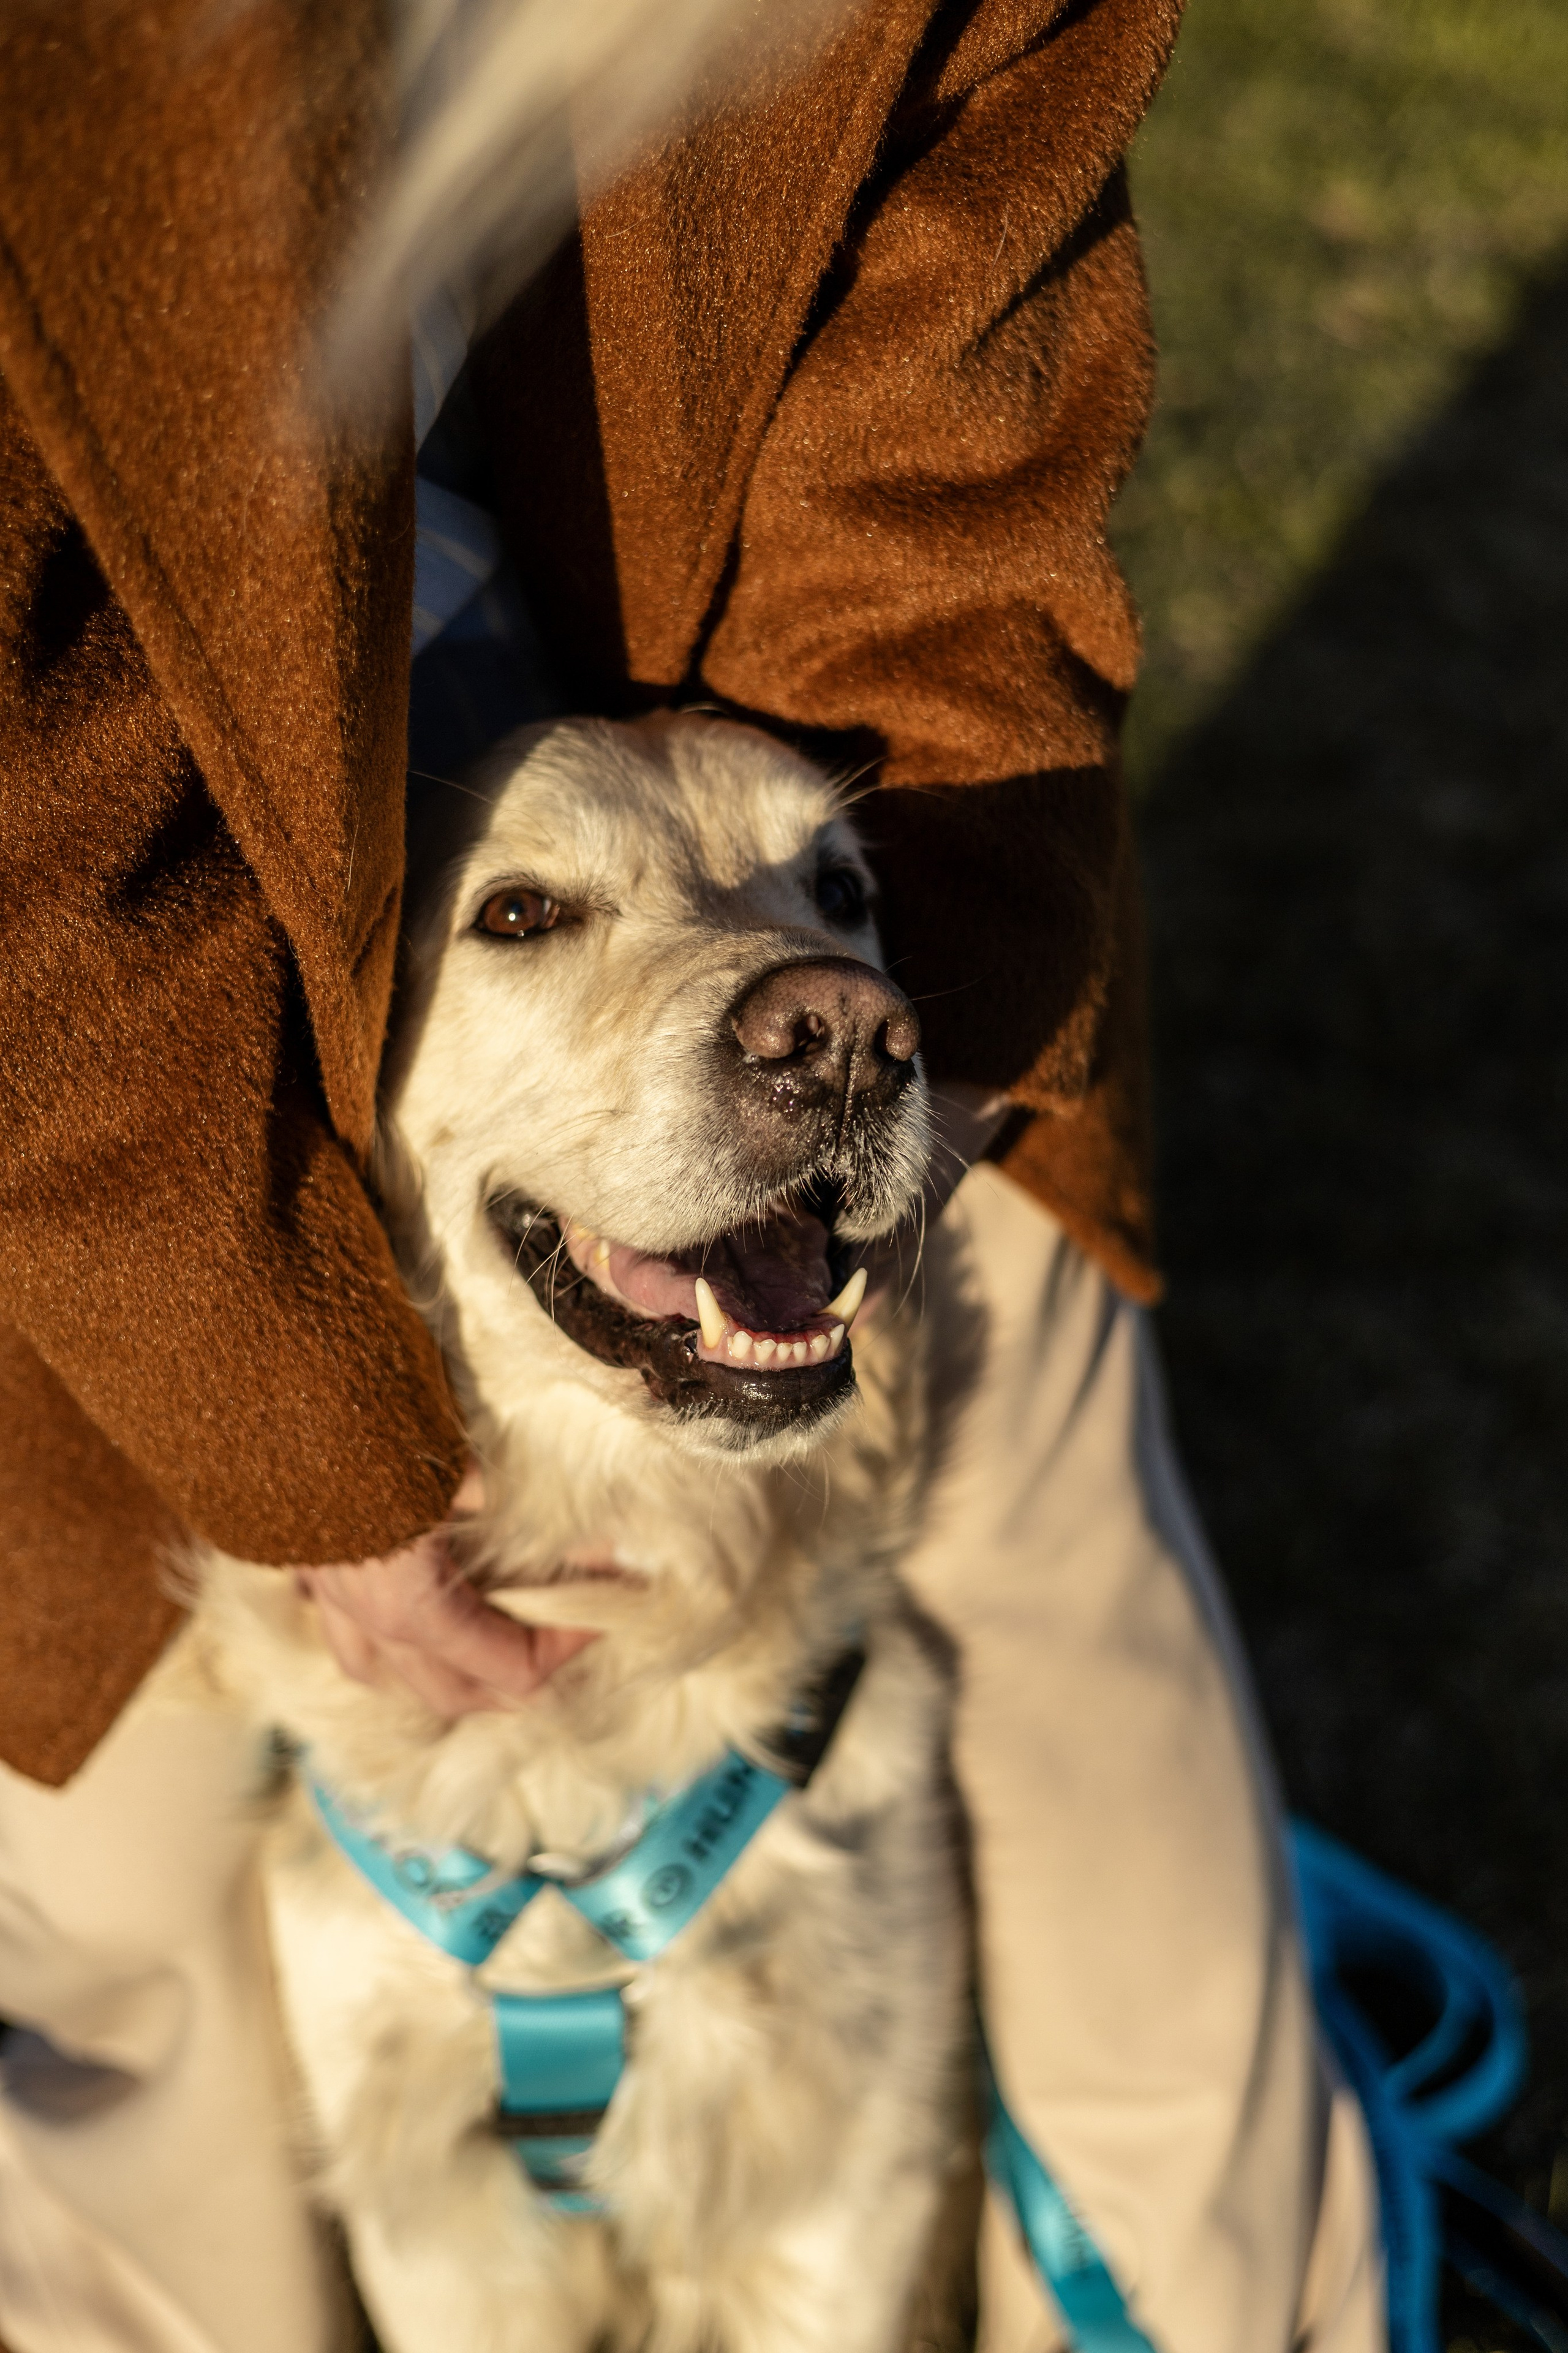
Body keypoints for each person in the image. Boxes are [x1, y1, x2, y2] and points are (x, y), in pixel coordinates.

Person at [0, 0, 1383, 2346]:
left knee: (1077, 1653)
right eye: (532, 922)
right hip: (93, 1084)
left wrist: (893, 997)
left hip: (828, 852)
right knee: (104, 1898)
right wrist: (273, 1414)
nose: (794, 990)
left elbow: (966, 509)